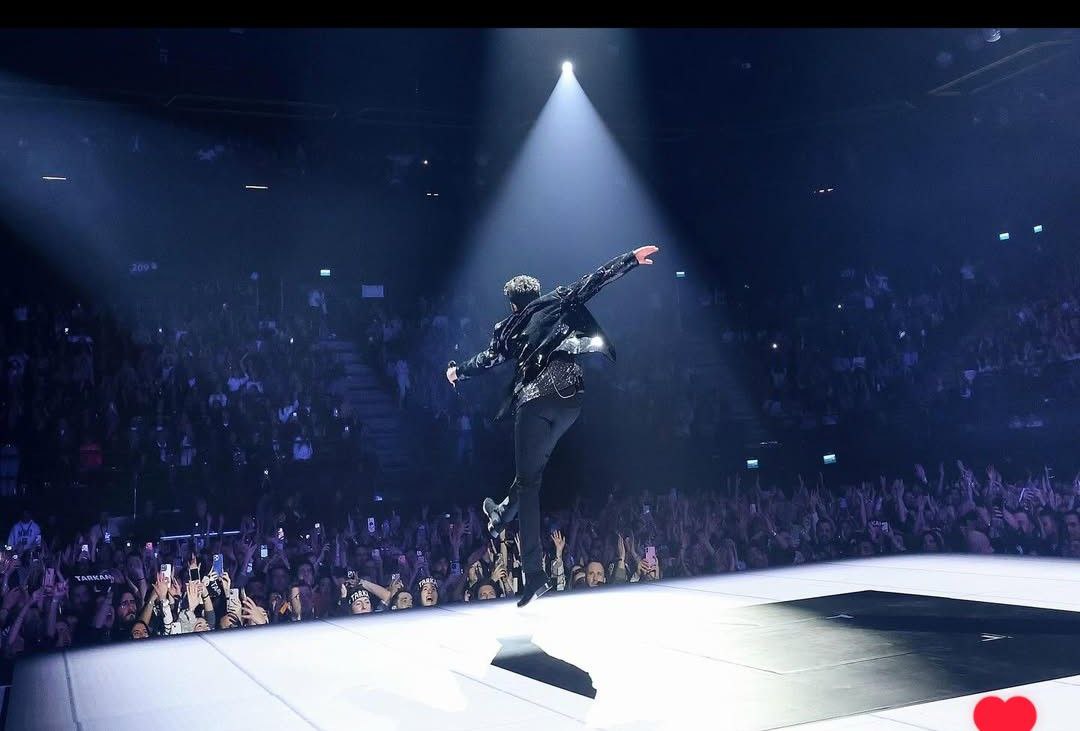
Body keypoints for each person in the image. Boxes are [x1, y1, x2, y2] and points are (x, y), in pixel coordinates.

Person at [446, 245, 660, 607]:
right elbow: (595, 280)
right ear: (537, 293)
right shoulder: (557, 299)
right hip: (571, 400)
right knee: (529, 475)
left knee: (530, 484)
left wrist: (457, 372)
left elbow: (486, 360)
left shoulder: (507, 328)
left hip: (535, 403)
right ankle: (500, 513)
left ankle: (534, 575)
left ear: (512, 304)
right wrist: (630, 260)